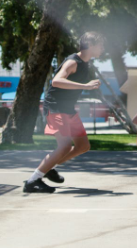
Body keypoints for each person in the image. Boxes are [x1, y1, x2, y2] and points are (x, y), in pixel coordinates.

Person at [22, 32, 104, 194]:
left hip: (68, 108)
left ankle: (49, 166)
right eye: (101, 45)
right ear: (91, 45)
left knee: (83, 146)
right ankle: (33, 181)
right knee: (65, 146)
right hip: (56, 107)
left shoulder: (86, 64)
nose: (103, 48)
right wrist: (85, 86)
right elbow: (57, 81)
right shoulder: (74, 61)